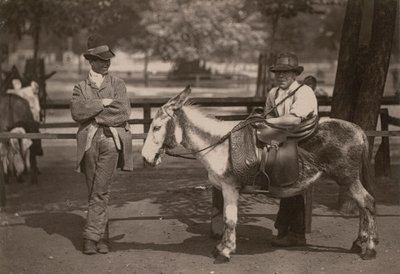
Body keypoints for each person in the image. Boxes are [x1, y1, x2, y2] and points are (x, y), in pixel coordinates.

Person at [70, 34, 133, 255]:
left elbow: (122, 113)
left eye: (108, 60)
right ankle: (102, 238)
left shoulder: (118, 84)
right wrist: (103, 103)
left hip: (111, 142)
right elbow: (77, 113)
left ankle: (89, 238)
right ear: (91, 61)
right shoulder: (80, 87)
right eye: (101, 59)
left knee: (100, 190)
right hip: (88, 144)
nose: (106, 63)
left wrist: (95, 114)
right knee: (94, 192)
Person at [264, 52, 318, 247]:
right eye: (278, 72)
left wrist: (266, 122)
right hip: (283, 138)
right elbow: (268, 116)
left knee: (291, 179)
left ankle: (295, 232)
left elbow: (294, 119)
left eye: (286, 72)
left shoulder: (304, 92)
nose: (281, 76)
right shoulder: (273, 93)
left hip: (304, 140)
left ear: (295, 74)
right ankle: (285, 228)